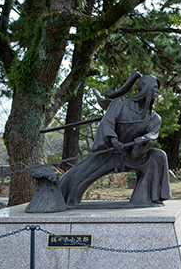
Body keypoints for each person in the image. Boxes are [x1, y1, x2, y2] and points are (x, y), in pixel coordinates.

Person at [59, 71, 172, 207]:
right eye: (154, 88)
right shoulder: (119, 104)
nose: (157, 92)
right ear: (144, 89)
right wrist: (113, 140)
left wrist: (144, 139)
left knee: (157, 156)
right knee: (74, 179)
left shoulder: (154, 118)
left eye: (157, 89)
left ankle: (146, 199)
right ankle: (62, 198)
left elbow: (153, 134)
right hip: (110, 153)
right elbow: (107, 123)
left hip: (133, 156)